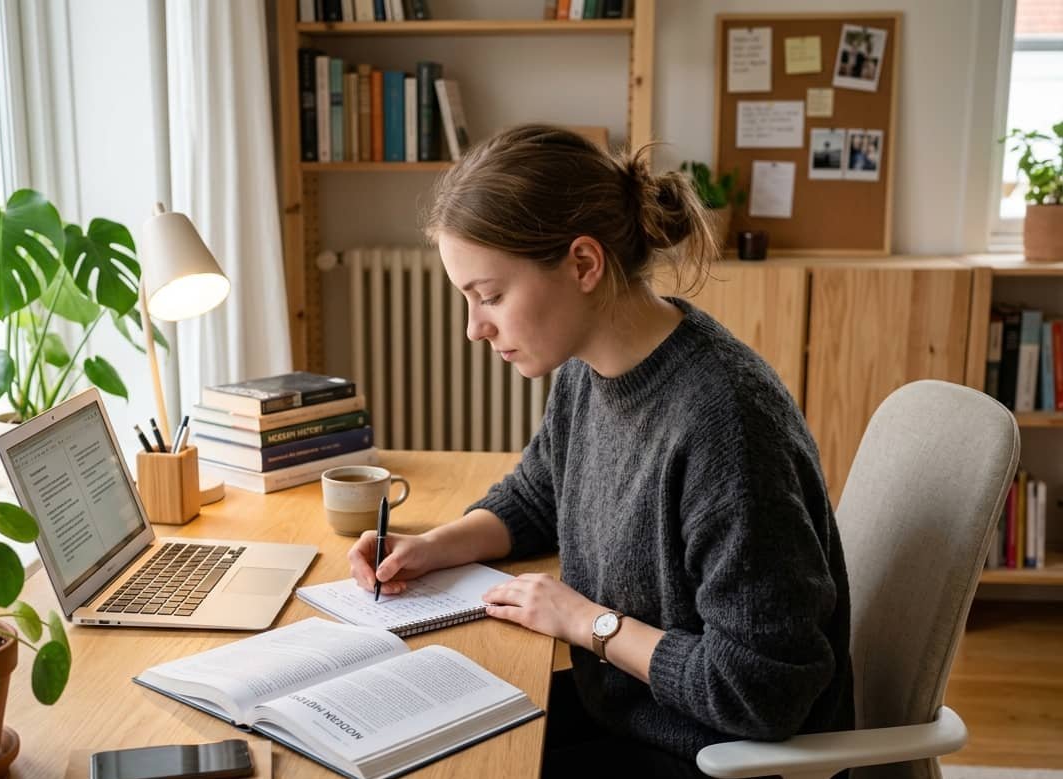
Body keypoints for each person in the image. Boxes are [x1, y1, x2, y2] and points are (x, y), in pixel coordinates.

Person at [347, 124, 854, 776]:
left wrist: (590, 623)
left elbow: (763, 687)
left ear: (584, 264)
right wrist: (429, 547)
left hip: (718, 754)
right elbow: (538, 494)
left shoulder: (724, 426)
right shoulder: (591, 369)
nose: (474, 329)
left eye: (490, 296)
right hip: (627, 712)